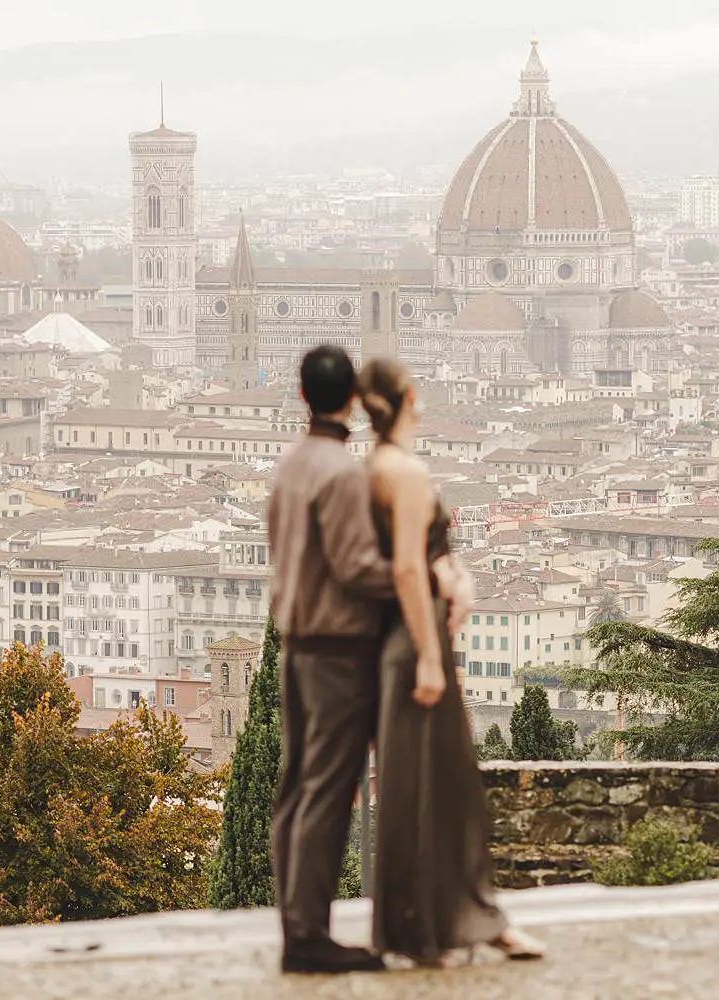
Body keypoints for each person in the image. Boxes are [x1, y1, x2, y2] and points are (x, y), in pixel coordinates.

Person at [266, 345, 469, 975]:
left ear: (303, 394)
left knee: (295, 787)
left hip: (294, 644)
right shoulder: (342, 474)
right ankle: (309, 936)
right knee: (328, 791)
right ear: (351, 399)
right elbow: (357, 568)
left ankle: (295, 924)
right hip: (336, 652)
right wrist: (428, 579)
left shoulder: (288, 466)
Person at [358, 357, 546, 967]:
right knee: (451, 788)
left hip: (399, 640)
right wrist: (432, 654)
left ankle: (424, 929)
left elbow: (409, 560)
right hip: (419, 643)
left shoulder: (373, 469)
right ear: (411, 398)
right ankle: (470, 921)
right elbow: (408, 567)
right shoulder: (406, 472)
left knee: (413, 787)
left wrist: (450, 577)